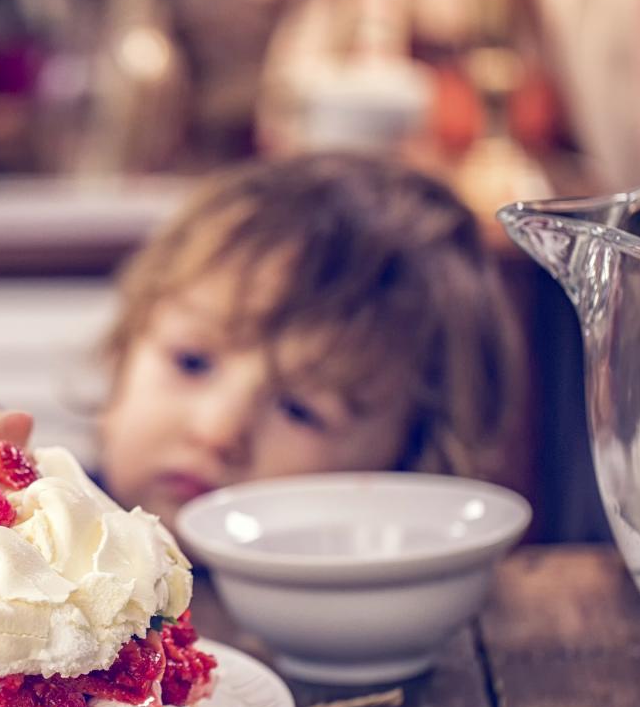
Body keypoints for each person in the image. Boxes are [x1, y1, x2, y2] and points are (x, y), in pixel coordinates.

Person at [98, 152, 524, 529]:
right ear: (122, 361)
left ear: (408, 468)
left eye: (300, 410)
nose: (218, 431)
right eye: (191, 362)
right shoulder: (41, 529)